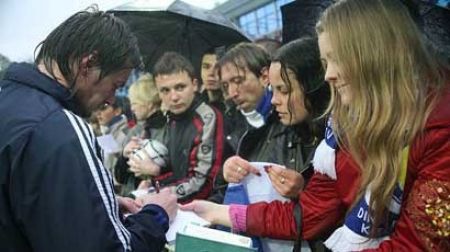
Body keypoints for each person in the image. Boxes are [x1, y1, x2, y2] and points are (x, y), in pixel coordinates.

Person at [181, 0, 450, 251]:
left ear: (374, 55)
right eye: (325, 63)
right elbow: (309, 213)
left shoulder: (440, 129)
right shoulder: (343, 130)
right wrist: (220, 212)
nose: (329, 74)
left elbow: (414, 245)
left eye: (337, 59)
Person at [0, 8, 177, 252]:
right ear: (88, 64)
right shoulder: (59, 127)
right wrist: (157, 215)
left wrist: (90, 203)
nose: (111, 99)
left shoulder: (11, 103)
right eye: (115, 85)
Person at [127, 52, 225, 203]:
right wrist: (152, 180)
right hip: (180, 208)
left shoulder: (207, 117)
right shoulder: (171, 118)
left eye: (180, 87)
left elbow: (203, 184)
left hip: (206, 211)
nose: (173, 97)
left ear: (194, 84)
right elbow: (179, 172)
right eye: (165, 90)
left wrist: (155, 189)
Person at [115, 73, 167, 197]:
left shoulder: (168, 129)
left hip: (159, 196)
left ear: (148, 103)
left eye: (134, 103)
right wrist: (123, 157)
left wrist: (155, 170)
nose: (132, 109)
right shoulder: (134, 132)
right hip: (132, 197)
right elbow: (120, 177)